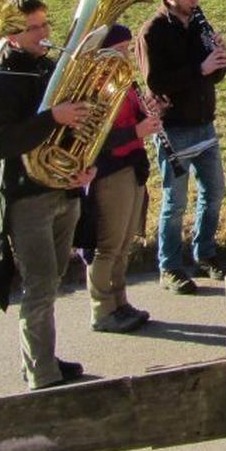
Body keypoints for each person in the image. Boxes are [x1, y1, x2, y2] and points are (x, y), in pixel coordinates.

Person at [0, 0, 95, 390]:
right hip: (27, 196)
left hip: (63, 189)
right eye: (34, 28)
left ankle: (40, 357)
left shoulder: (50, 69)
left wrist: (83, 158)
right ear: (11, 36)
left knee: (53, 280)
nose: (45, 33)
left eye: (46, 24)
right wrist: (52, 117)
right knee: (41, 284)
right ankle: (41, 375)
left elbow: (73, 126)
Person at [138, 0, 226, 294]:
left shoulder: (198, 24)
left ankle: (205, 254)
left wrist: (218, 59)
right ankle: (170, 266)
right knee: (175, 202)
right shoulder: (153, 31)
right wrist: (200, 68)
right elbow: (156, 82)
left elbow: (213, 75)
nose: (194, 0)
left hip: (204, 121)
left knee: (214, 191)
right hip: (174, 126)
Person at [83, 24, 160, 334]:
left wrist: (152, 114)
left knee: (124, 241)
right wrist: (135, 131)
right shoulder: (92, 87)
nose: (126, 55)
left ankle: (120, 302)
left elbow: (135, 118)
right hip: (110, 170)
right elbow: (93, 138)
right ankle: (102, 310)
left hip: (132, 165)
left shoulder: (124, 82)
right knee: (108, 245)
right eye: (120, 49)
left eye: (128, 48)